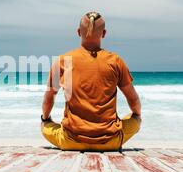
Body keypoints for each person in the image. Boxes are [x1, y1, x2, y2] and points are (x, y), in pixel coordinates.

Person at [41, 11, 141, 151]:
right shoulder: (115, 61)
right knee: (135, 119)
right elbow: (133, 99)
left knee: (46, 126)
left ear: (78, 32)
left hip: (70, 141)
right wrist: (137, 116)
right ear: (104, 33)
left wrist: (45, 119)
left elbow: (48, 99)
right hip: (110, 141)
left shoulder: (63, 61)